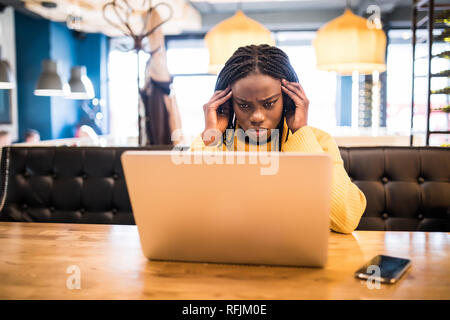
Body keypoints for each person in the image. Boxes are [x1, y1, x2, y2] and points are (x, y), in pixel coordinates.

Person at [190, 44, 367, 234]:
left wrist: (300, 134)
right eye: (244, 105)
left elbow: (346, 219)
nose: (257, 116)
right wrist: (211, 139)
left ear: (288, 100)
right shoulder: (211, 144)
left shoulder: (317, 141)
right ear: (228, 104)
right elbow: (190, 215)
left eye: (269, 103)